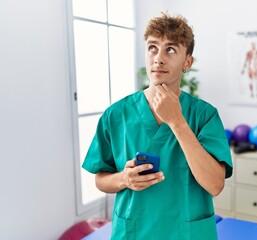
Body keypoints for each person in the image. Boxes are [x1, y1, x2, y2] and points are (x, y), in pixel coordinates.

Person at [82, 12, 233, 240]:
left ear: (187, 62)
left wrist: (177, 122)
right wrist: (124, 178)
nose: (158, 58)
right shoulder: (116, 115)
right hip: (134, 232)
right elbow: (100, 179)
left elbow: (215, 185)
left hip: (187, 233)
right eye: (153, 47)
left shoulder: (204, 116)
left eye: (170, 50)